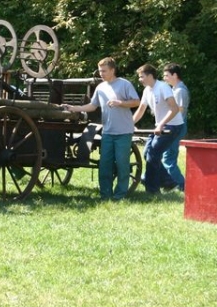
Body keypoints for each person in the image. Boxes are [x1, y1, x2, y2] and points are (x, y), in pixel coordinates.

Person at [63, 57, 140, 201]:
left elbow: (136, 102)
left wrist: (120, 103)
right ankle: (105, 195)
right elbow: (92, 106)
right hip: (107, 132)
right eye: (100, 71)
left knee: (122, 164)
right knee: (105, 164)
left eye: (104, 71)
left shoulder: (124, 84)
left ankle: (120, 195)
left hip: (123, 132)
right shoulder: (100, 87)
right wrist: (75, 108)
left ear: (112, 70)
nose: (101, 74)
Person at [133, 64, 185, 194]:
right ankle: (168, 182)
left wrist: (161, 124)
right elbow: (141, 110)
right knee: (147, 153)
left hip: (173, 126)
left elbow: (174, 109)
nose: (140, 79)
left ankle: (152, 190)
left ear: (150, 76)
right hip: (161, 125)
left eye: (142, 76)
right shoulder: (147, 90)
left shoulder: (163, 87)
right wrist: (130, 124)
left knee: (153, 155)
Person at [161, 63, 189, 192]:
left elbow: (180, 110)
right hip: (172, 127)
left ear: (175, 75)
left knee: (168, 157)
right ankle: (171, 183)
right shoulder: (174, 89)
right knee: (168, 156)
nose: (164, 78)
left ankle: (182, 185)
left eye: (167, 75)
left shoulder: (180, 91)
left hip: (176, 127)